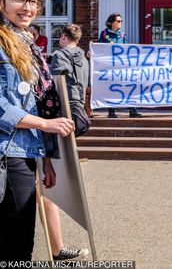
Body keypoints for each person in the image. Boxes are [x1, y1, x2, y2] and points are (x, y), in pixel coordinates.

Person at [0, 0, 74, 261]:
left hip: (23, 152)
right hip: (6, 153)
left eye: (33, 1)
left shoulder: (25, 44)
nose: (27, 7)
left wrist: (44, 158)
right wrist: (45, 124)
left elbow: (38, 101)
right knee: (15, 245)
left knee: (17, 241)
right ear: (2, 1)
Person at [48, 23, 90, 261]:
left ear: (63, 37)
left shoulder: (59, 55)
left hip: (64, 109)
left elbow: (55, 85)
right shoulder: (84, 58)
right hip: (79, 109)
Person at [98, 13, 141, 118]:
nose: (120, 23)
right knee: (111, 88)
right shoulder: (104, 34)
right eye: (118, 21)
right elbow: (99, 48)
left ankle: (133, 110)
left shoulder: (122, 35)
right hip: (110, 66)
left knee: (128, 86)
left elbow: (126, 49)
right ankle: (111, 111)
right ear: (111, 23)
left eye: (121, 21)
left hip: (122, 66)